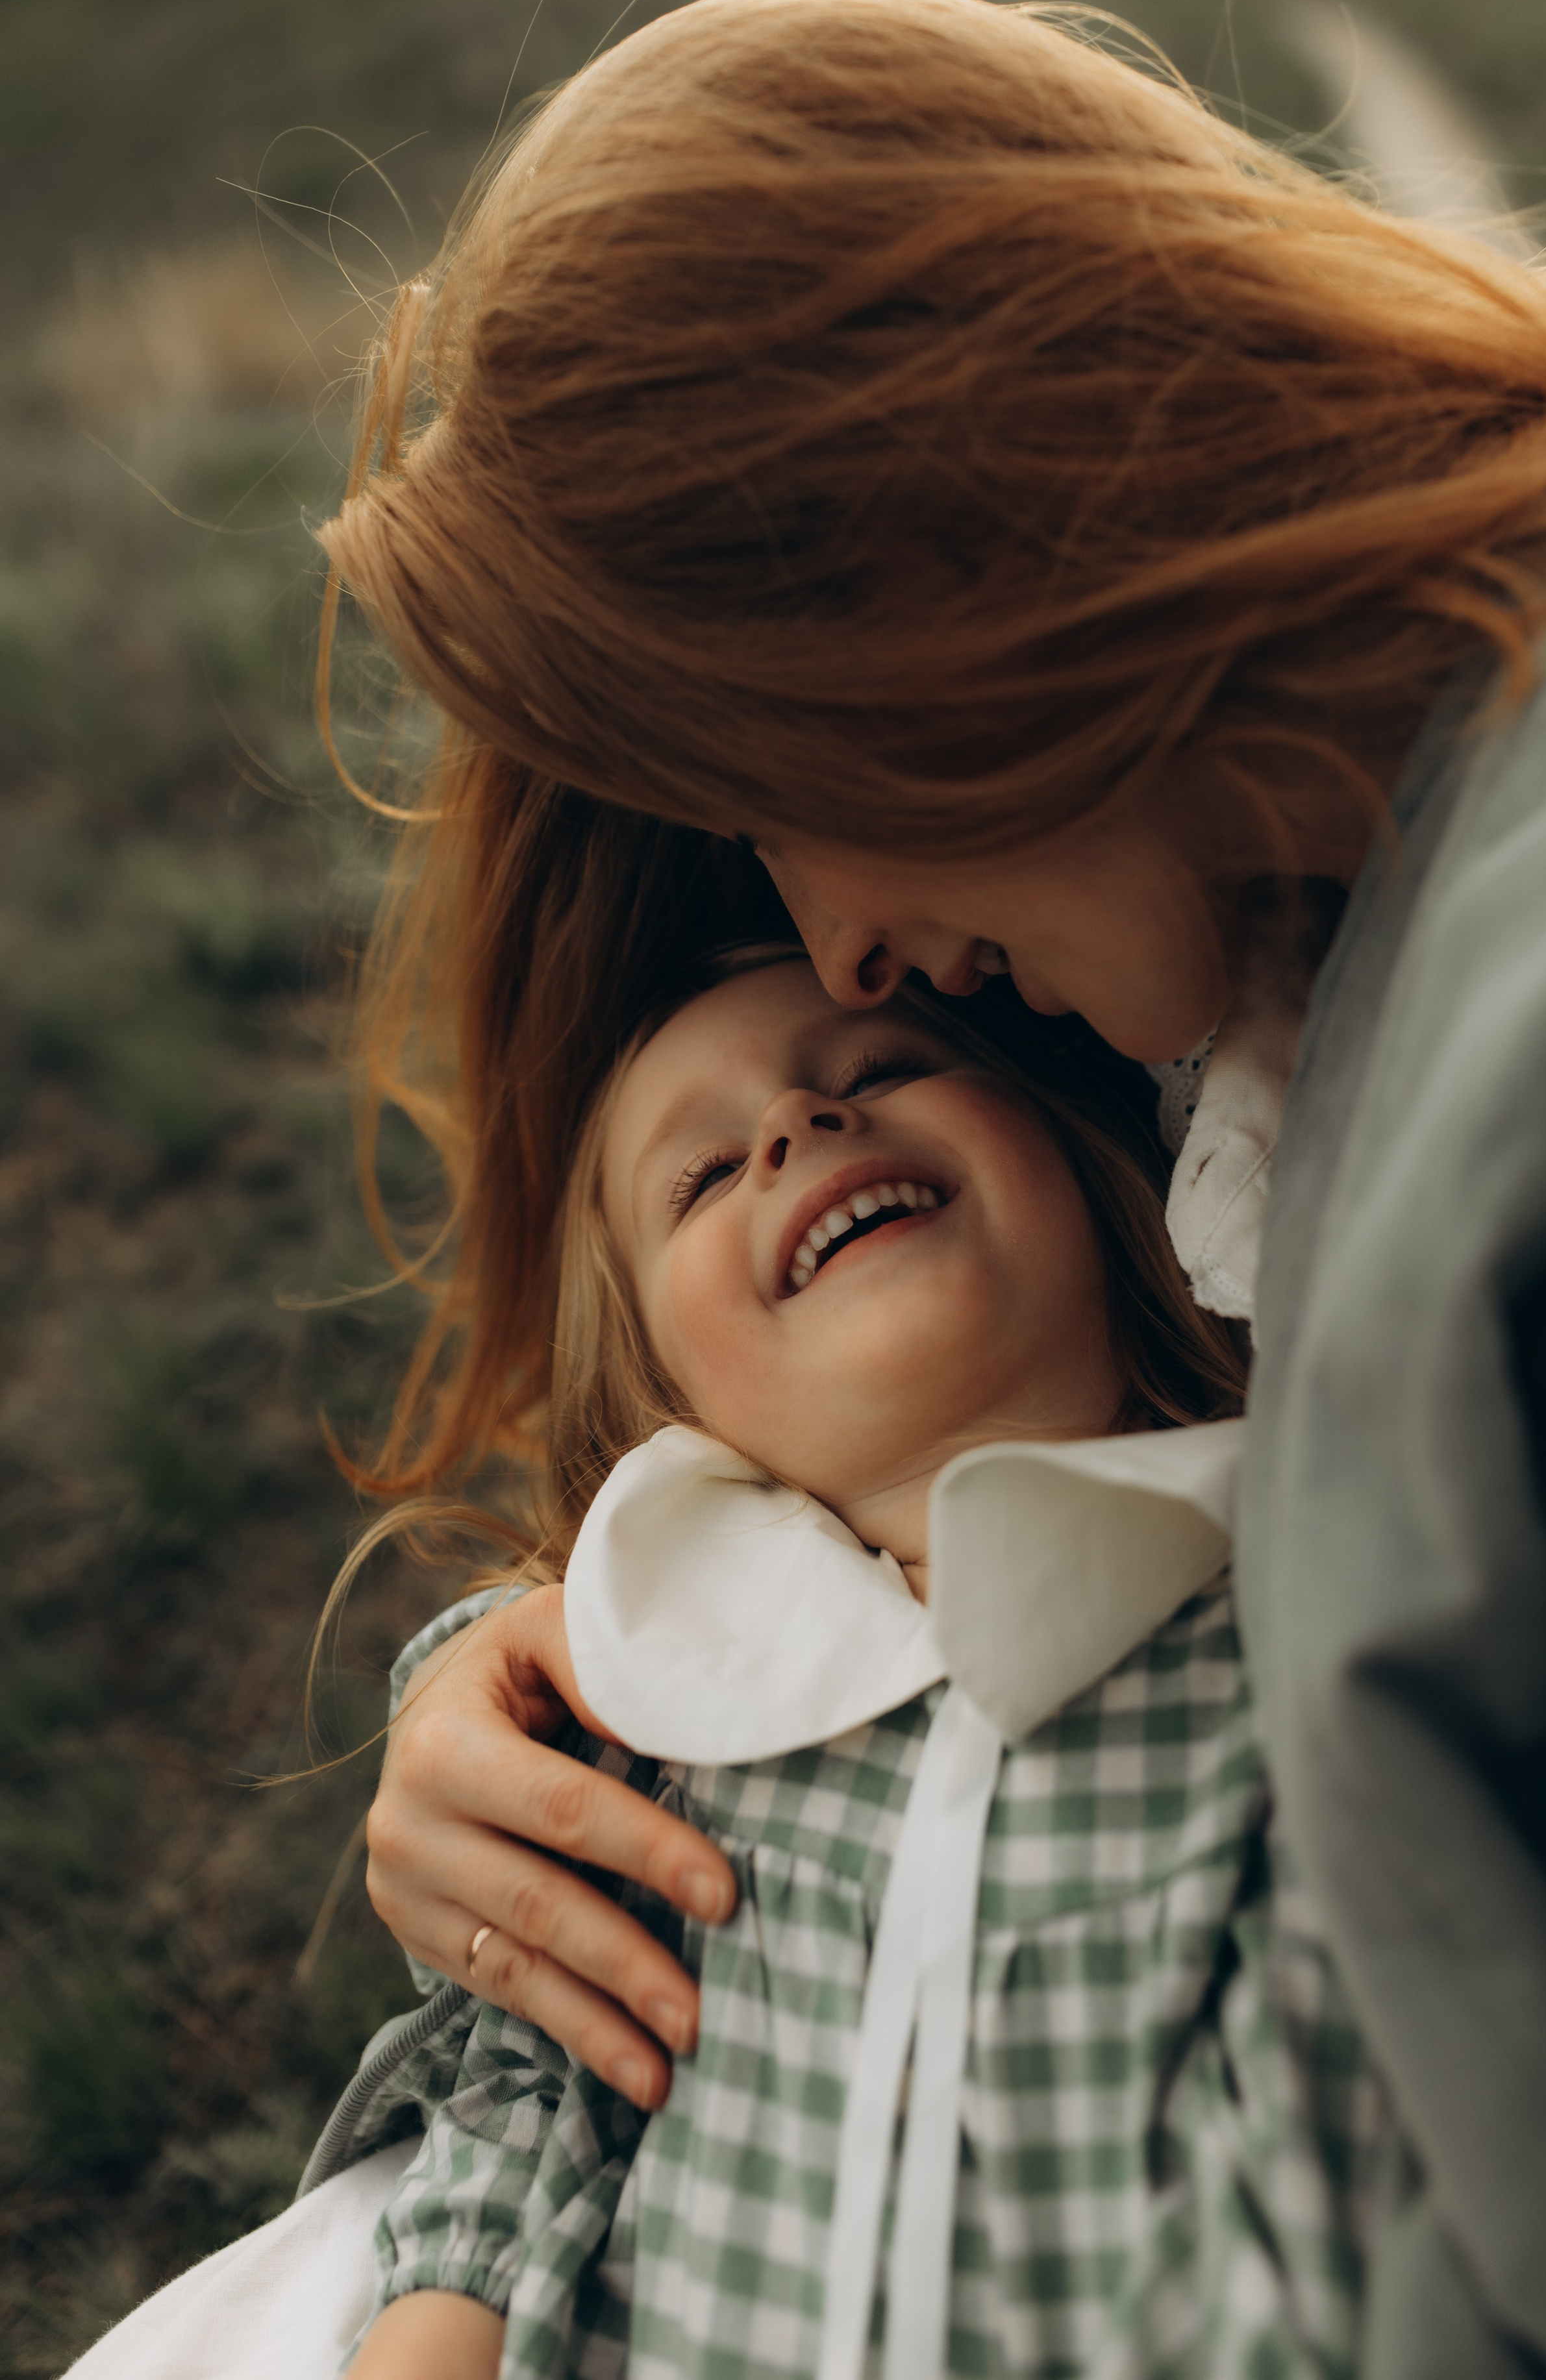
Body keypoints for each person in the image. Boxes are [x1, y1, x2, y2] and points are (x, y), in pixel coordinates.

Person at [321, 0, 1546, 2380]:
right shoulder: (1274, 964)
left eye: (786, 793)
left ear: (951, 562)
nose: (844, 951)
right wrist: (525, 1688)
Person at [311, 943, 1386, 2380]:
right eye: (697, 1179)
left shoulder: (1292, 1634)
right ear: (661, 1399)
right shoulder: (658, 1719)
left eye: (881, 1069)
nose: (795, 1126)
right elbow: (508, 2153)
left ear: (1090, 1162)